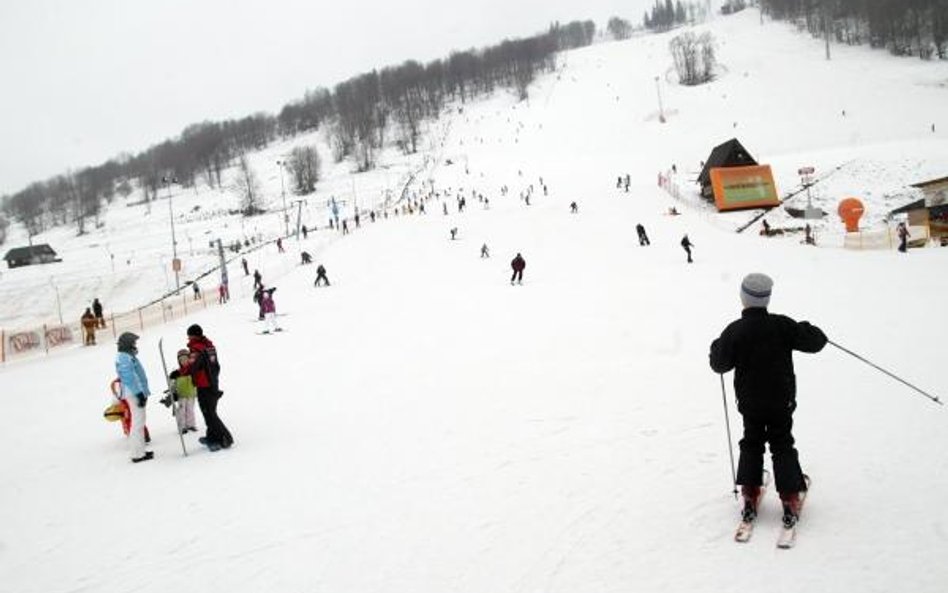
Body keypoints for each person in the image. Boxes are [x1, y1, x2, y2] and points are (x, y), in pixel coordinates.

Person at [709, 273, 827, 528]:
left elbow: (719, 364)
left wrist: (717, 346)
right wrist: (805, 328)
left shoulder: (735, 330)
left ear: (743, 299)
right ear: (767, 299)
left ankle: (749, 493)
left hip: (750, 402)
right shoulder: (781, 325)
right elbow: (817, 341)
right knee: (782, 443)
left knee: (751, 441)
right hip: (780, 401)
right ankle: (790, 497)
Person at [170, 324, 232, 451]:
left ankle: (225, 438)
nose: (188, 339)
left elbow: (192, 366)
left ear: (193, 335)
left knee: (209, 414)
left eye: (189, 336)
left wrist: (179, 372)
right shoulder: (209, 347)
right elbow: (216, 366)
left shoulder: (197, 349)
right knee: (209, 413)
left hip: (205, 386)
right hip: (212, 383)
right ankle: (212, 436)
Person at [115, 332, 153, 463]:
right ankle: (137, 454)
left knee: (140, 422)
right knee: (137, 423)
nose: (135, 345)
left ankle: (140, 451)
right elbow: (129, 378)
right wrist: (138, 393)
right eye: (133, 343)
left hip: (137, 392)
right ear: (127, 344)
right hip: (133, 393)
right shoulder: (124, 357)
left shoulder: (127, 356)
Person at [169, 349, 199, 434]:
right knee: (181, 411)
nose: (183, 361)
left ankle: (191, 425)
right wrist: (173, 391)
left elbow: (197, 380)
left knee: (190, 410)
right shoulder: (176, 372)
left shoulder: (192, 370)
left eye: (185, 359)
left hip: (191, 394)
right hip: (181, 395)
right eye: (181, 360)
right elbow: (172, 383)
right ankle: (182, 426)